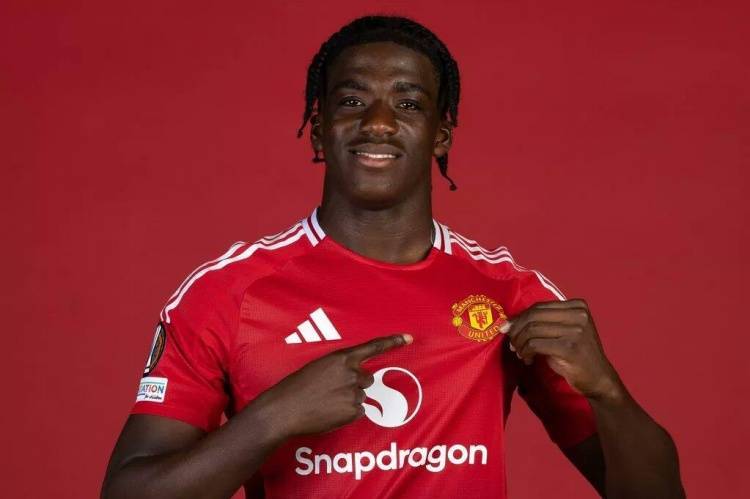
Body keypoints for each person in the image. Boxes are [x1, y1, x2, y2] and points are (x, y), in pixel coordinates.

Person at [102, 16, 685, 499]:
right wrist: (274, 418)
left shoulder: (507, 293)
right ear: (318, 130)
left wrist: (607, 392)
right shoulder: (230, 293)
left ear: (440, 135)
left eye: (407, 103)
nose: (378, 123)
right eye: (352, 101)